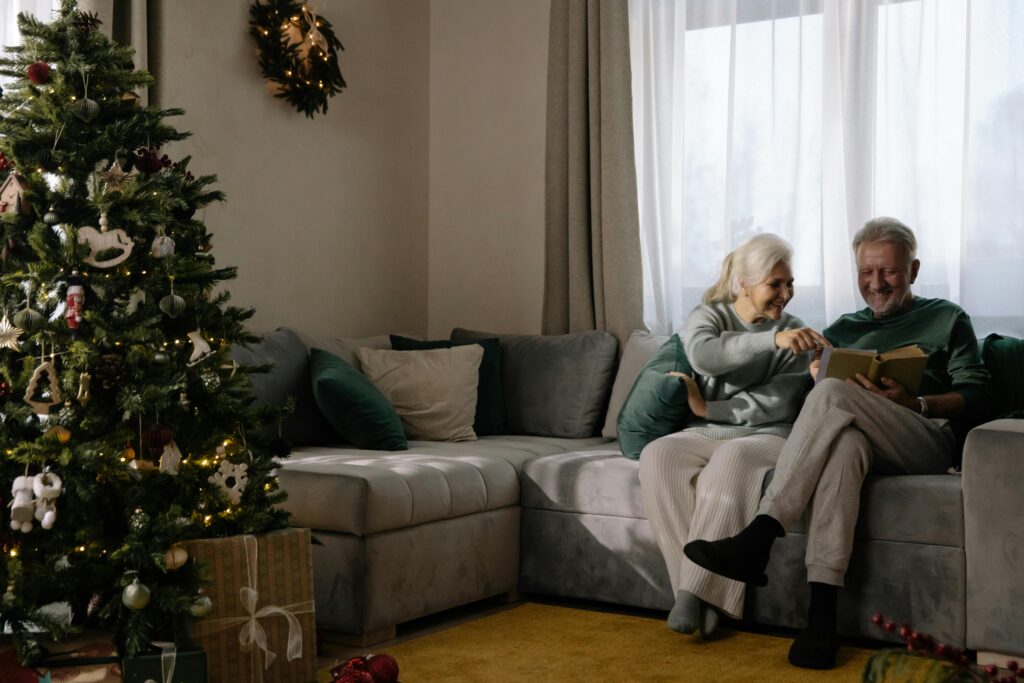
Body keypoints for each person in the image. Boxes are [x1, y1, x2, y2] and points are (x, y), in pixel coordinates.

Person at [683, 217, 989, 669]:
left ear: (915, 270)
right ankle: (821, 619)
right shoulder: (843, 327)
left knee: (832, 395)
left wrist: (917, 401)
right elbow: (817, 410)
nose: (876, 283)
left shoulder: (947, 317)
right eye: (866, 272)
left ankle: (760, 535)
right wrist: (813, 379)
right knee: (842, 446)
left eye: (888, 271)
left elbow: (977, 393)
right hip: (863, 439)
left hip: (924, 440)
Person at [639, 233, 827, 639]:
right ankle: (694, 594)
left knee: (732, 460)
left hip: (769, 435)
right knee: (658, 455)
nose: (786, 294)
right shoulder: (709, 315)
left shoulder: (797, 331)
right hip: (705, 433)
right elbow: (705, 355)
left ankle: (690, 595)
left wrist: (711, 408)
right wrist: (770, 339)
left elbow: (779, 402)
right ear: (744, 283)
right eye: (775, 284)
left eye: (789, 283)